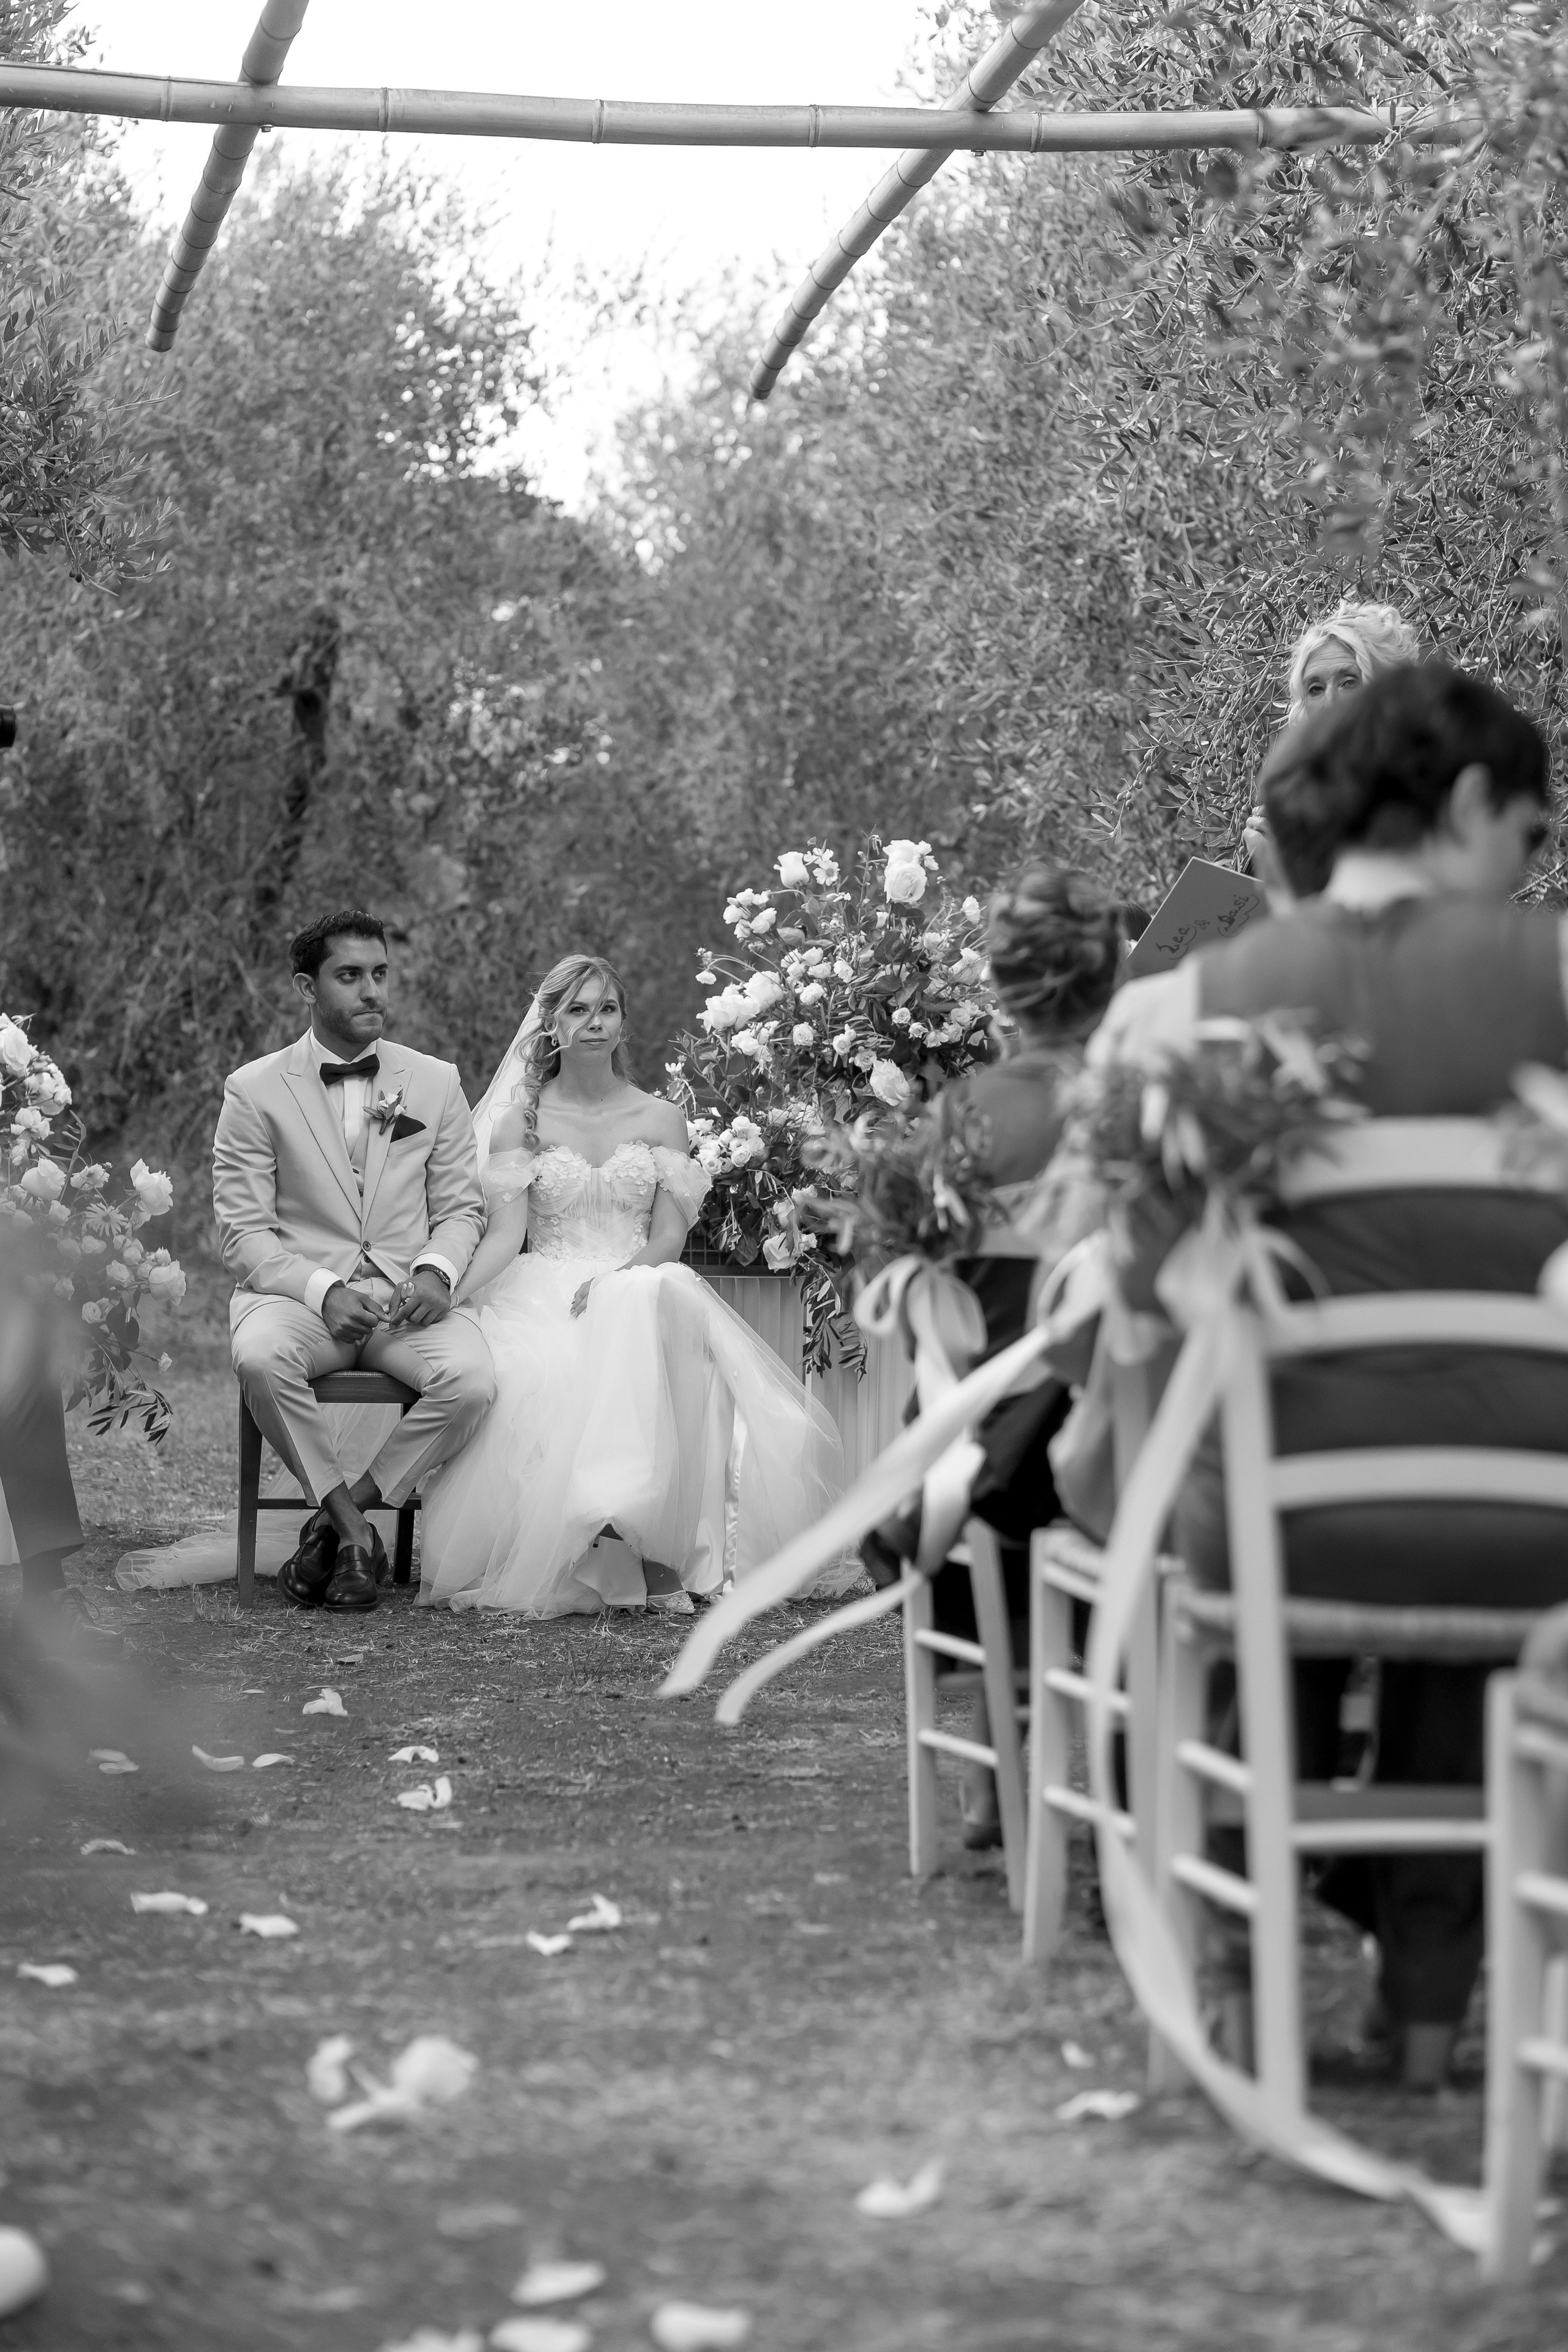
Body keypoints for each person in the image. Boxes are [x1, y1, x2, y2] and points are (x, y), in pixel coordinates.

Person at [1110, 662, 1568, 2087]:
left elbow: (1139, 1295)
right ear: (1469, 799)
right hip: (1533, 1532)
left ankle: (1245, 2001)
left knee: (1255, 1499)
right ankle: (1427, 2014)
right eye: (1530, 839)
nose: (1531, 870)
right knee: (1470, 1501)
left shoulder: (1198, 998)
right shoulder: (1553, 976)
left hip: (1279, 1518)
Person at [417, 953, 843, 1617]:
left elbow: (669, 1237)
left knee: (644, 1300)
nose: (594, 1023)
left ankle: (644, 1537)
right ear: (551, 1024)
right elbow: (505, 1238)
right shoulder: (519, 1122)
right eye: (578, 1009)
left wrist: (617, 1279)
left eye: (607, 1009)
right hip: (543, 1288)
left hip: (640, 1274)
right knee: (543, 1371)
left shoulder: (659, 1118)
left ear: (623, 1023)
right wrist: (453, 1295)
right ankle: (598, 1535)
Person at [861, 866, 1128, 1844]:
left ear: (1003, 989)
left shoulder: (957, 1118)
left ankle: (994, 1766)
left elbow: (886, 1299)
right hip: (1119, 1448)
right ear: (1115, 980)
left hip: (977, 1467)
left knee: (990, 1423)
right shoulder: (1142, 1106)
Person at [213, 910, 495, 1613]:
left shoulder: (434, 1082)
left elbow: (462, 1209)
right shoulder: (254, 1090)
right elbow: (244, 1234)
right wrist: (321, 1289)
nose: (372, 991)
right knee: (259, 1358)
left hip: (403, 1302)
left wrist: (436, 1271)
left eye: (379, 975)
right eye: (350, 976)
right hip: (299, 1303)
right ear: (307, 987)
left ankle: (341, 1521)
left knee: (471, 1383)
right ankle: (354, 1533)